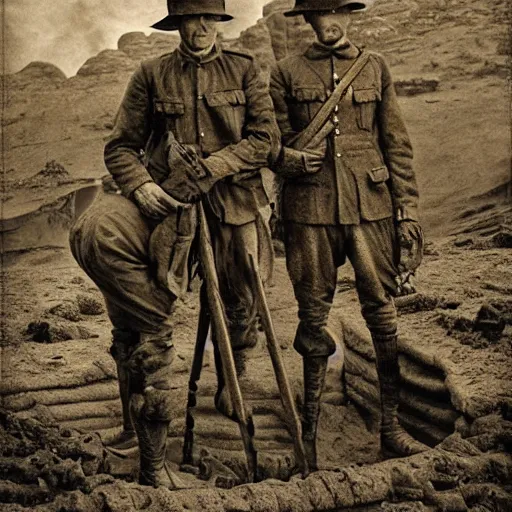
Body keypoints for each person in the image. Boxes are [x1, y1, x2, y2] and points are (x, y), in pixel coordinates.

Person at [69, 0, 279, 489]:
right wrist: (141, 185)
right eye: (190, 19)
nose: (200, 27)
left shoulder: (245, 70)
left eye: (208, 18)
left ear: (219, 23)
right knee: (139, 319)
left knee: (243, 299)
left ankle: (231, 382)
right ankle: (134, 423)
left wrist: (215, 168)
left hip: (233, 202)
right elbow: (120, 146)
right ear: (178, 25)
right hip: (169, 205)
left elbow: (264, 139)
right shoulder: (151, 73)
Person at [269, 0, 428, 471]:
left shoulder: (375, 67)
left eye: (338, 13)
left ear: (350, 17)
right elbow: (270, 141)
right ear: (309, 21)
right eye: (320, 15)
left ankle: (391, 429)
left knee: (381, 311)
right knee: (313, 317)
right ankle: (311, 440)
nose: (330, 23)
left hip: (370, 206)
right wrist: (290, 161)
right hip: (310, 208)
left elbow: (396, 143)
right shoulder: (284, 71)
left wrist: (407, 211)